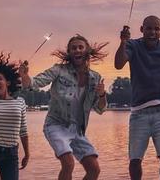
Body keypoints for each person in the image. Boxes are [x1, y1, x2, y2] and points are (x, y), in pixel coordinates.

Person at [20, 34, 108, 180]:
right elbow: (34, 83)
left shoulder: (95, 77)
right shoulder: (59, 70)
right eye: (73, 48)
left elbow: (100, 109)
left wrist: (102, 94)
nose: (77, 50)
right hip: (56, 125)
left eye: (80, 47)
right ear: (69, 53)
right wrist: (25, 76)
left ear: (87, 51)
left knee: (94, 169)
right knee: (68, 163)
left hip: (77, 130)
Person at [115, 15, 160, 180]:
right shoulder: (133, 45)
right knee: (135, 159)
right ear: (142, 29)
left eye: (156, 29)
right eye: (149, 28)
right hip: (139, 113)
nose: (152, 32)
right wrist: (123, 41)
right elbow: (118, 64)